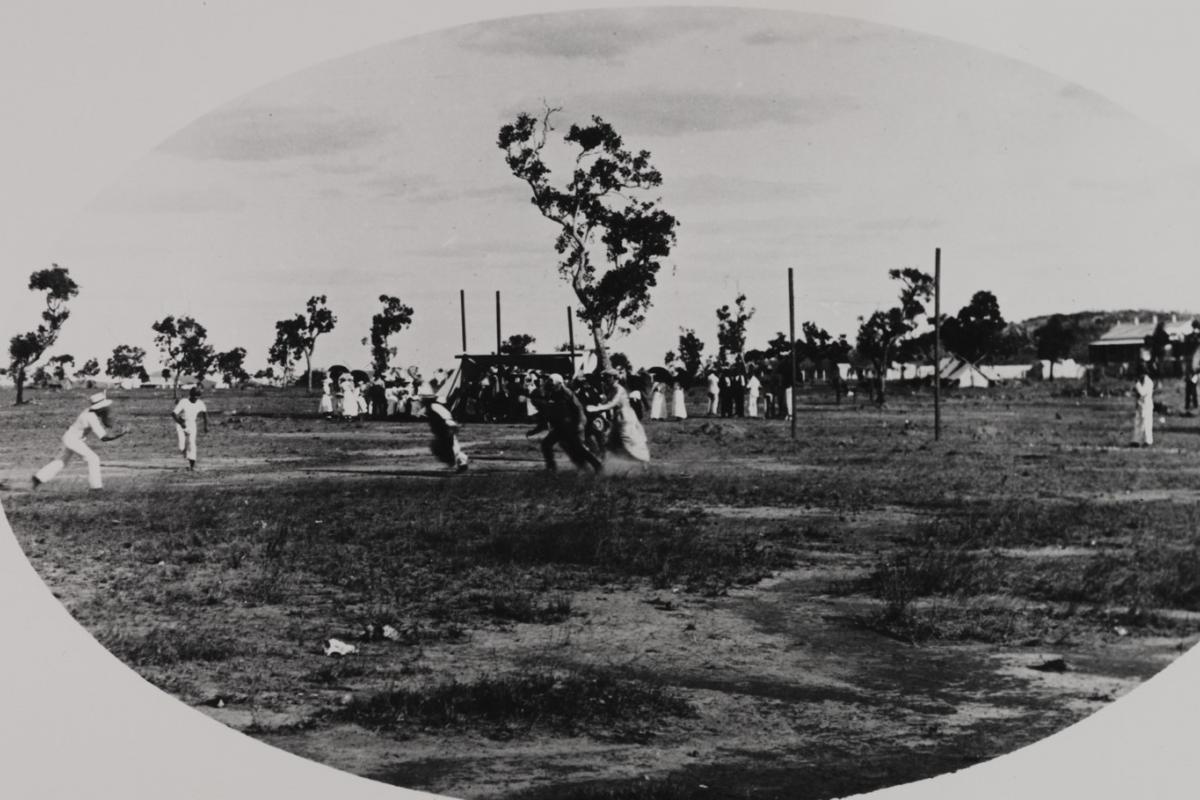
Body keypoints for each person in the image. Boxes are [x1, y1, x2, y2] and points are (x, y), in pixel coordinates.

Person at [32, 391, 127, 490]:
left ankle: (38, 478)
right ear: (100, 408)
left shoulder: (89, 412)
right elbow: (104, 438)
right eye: (105, 407)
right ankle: (96, 487)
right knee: (93, 459)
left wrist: (112, 422)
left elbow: (107, 423)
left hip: (70, 437)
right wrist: (120, 434)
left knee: (61, 461)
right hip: (73, 440)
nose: (107, 408)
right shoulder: (91, 417)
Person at [528, 373, 602, 472]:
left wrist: (580, 424)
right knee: (547, 444)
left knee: (578, 448)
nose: (550, 385)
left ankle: (597, 465)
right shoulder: (552, 393)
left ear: (559, 384)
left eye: (552, 383)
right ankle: (551, 468)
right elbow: (549, 414)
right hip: (561, 426)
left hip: (569, 426)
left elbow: (578, 408)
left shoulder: (566, 393)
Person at [586, 369, 650, 463]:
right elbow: (606, 401)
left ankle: (643, 461)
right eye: (605, 377)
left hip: (625, 418)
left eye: (608, 377)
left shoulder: (619, 389)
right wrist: (597, 406)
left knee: (627, 443)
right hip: (618, 418)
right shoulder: (612, 389)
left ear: (614, 378)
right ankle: (611, 466)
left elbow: (612, 403)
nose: (606, 379)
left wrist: (597, 408)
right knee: (610, 444)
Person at [421, 393, 469, 471]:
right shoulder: (432, 407)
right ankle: (459, 462)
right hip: (444, 428)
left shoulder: (434, 406)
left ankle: (458, 462)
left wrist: (450, 426)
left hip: (446, 427)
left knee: (445, 446)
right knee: (446, 446)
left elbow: (445, 417)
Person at [172, 386, 209, 471]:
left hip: (191, 424)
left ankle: (192, 465)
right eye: (194, 396)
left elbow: (205, 415)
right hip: (181, 423)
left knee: (192, 443)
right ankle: (184, 451)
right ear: (190, 395)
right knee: (181, 446)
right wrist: (181, 423)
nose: (195, 398)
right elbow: (173, 414)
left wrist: (206, 426)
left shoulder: (200, 403)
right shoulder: (184, 402)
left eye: (197, 396)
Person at [1132, 360, 1155, 447]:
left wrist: (1137, 384)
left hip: (1147, 405)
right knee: (1137, 422)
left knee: (1146, 423)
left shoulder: (1148, 382)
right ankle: (1136, 440)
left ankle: (1148, 441)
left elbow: (1142, 392)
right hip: (1140, 404)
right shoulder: (1141, 381)